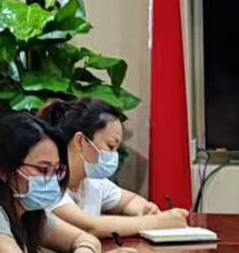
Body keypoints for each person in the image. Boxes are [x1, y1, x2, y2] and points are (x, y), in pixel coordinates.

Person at [0, 111, 140, 253]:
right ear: (4, 171)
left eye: (56, 170)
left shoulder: (31, 212)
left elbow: (86, 239)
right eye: (42, 170)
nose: (52, 179)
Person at [40, 97, 193, 239]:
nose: (114, 155)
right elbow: (88, 227)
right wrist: (158, 222)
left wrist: (145, 210)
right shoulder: (45, 182)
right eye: (110, 146)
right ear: (80, 141)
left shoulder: (92, 181)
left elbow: (129, 201)